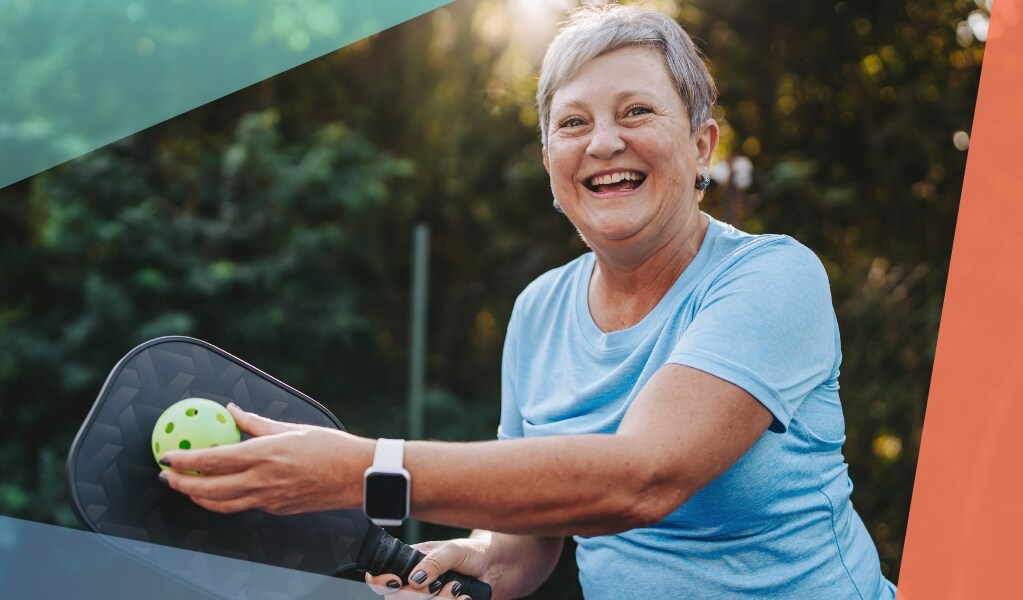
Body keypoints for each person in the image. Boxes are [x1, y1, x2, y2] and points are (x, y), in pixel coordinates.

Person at [158, 5, 897, 599]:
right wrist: (470, 558)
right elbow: (529, 540)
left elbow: (642, 479)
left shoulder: (772, 278)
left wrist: (363, 469)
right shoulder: (539, 310)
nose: (603, 141)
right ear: (550, 164)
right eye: (573, 123)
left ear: (702, 145)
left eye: (636, 111)